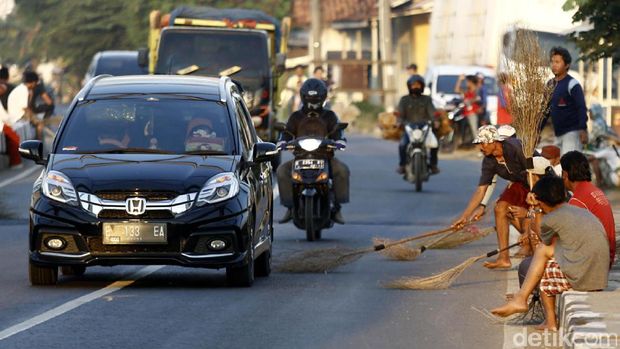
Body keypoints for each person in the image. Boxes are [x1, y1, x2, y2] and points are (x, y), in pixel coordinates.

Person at [491, 176, 609, 331]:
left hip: (586, 279)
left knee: (543, 265)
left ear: (541, 201)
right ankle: (521, 298)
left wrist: (537, 211)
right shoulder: (576, 210)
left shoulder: (553, 218)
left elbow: (542, 238)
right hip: (599, 277)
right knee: (545, 252)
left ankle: (548, 320)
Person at [452, 125, 531, 269]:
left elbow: (535, 172)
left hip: (536, 181)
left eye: (482, 143)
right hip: (519, 184)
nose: (480, 148)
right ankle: (504, 258)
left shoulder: (516, 148)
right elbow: (481, 189)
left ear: (494, 141)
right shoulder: (489, 160)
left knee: (527, 218)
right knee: (500, 208)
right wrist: (465, 216)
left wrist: (534, 197)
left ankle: (531, 238)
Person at [276, 78, 349, 224]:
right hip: (299, 158)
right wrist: (282, 141)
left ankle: (337, 208)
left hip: (325, 157)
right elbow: (286, 132)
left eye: (316, 98)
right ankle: (290, 207)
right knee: (281, 171)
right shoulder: (296, 116)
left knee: (342, 170)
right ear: (303, 97)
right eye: (310, 98)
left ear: (323, 97)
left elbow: (337, 132)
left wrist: (340, 141)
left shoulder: (329, 116)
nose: (313, 102)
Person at [560, 151, 615, 266]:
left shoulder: (577, 200)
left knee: (535, 260)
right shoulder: (595, 190)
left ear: (565, 174)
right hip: (606, 258)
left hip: (594, 264)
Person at [541, 47, 588, 155]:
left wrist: (582, 129)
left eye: (557, 62)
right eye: (552, 62)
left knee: (570, 166)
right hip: (557, 134)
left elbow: (581, 107)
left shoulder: (572, 84)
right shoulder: (550, 85)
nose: (554, 65)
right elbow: (544, 111)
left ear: (566, 65)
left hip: (572, 133)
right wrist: (537, 131)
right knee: (557, 166)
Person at [395, 75, 439, 174]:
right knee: (402, 145)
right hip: (409, 128)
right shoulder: (404, 99)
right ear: (409, 86)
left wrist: (435, 121)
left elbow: (432, 112)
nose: (416, 87)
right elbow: (400, 113)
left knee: (435, 145)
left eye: (418, 85)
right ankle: (402, 165)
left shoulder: (427, 99)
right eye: (413, 85)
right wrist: (398, 121)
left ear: (422, 86)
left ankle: (433, 165)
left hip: (424, 127)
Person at [22, 70, 54, 140]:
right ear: (34, 82)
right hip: (28, 111)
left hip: (28, 110)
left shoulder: (24, 88)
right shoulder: (37, 87)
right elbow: (49, 102)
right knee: (40, 125)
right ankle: (39, 140)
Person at [0, 66, 22, 168]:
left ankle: (15, 162)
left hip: (6, 119)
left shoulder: (9, 88)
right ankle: (15, 163)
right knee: (14, 138)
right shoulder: (11, 88)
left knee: (13, 137)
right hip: (5, 120)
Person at [455, 75, 480, 142]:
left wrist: (469, 101)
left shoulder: (477, 90)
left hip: (473, 113)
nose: (466, 83)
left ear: (470, 82)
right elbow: (456, 90)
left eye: (467, 82)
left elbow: (478, 99)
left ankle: (480, 147)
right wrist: (459, 80)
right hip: (465, 113)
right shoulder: (467, 90)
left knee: (475, 131)